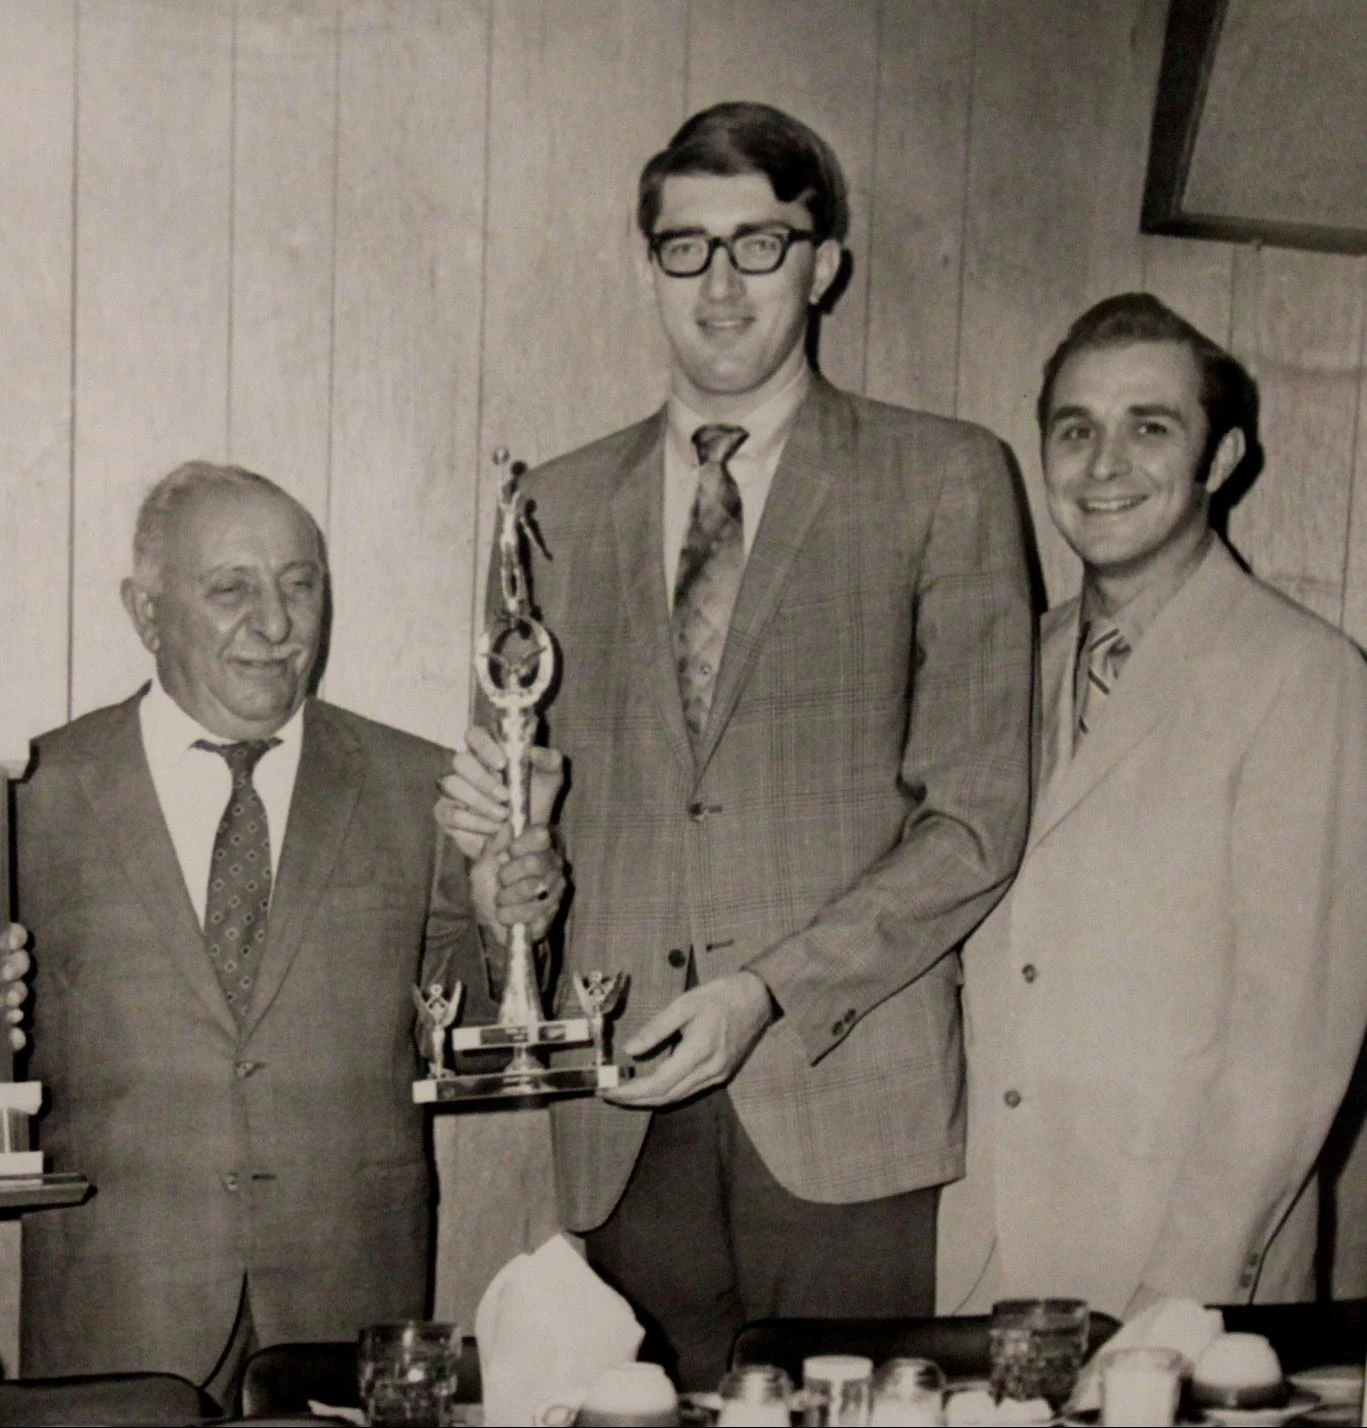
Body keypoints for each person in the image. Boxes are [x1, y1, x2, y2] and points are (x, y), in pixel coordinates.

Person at [438, 102, 1034, 1386]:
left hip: (841, 1095)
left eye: (759, 244)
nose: (718, 284)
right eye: (683, 246)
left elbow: (975, 822)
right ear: (646, 262)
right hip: (620, 1114)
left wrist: (766, 991)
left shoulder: (945, 479)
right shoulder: (546, 507)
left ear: (826, 263)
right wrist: (507, 896)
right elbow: (525, 821)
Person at [11, 462, 560, 1406]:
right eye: (231, 590)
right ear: (144, 612)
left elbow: (465, 1032)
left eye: (300, 585)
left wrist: (509, 918)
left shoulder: (418, 786)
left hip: (346, 1290)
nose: (276, 625)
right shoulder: (32, 795)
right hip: (118, 1296)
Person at [937, 294, 1367, 1316]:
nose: (1103, 464)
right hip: (977, 1267)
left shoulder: (1303, 677)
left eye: (1150, 427)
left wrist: (1183, 1300)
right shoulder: (1010, 663)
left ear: (1220, 460)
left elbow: (1293, 1043)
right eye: (1074, 429)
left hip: (1173, 1285)